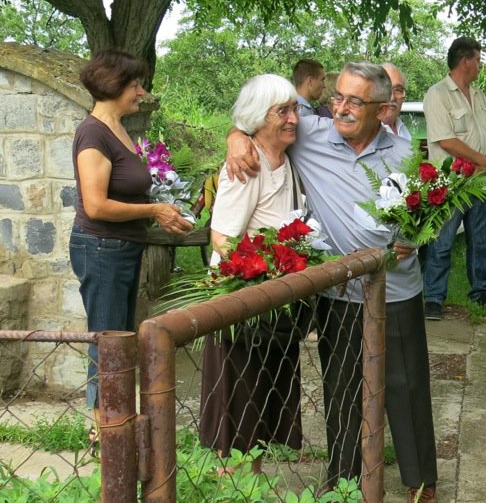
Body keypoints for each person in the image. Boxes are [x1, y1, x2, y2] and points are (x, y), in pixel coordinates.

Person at [226, 63, 439, 503]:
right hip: (338, 294)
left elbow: (430, 213)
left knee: (406, 387)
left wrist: (416, 235)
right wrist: (236, 137)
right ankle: (341, 480)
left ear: (382, 110)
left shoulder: (403, 151)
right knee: (340, 388)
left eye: (354, 102)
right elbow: (262, 120)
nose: (340, 108)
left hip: (396, 290)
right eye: (337, 97)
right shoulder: (310, 135)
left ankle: (421, 482)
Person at [71, 48, 192, 450]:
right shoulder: (93, 133)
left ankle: (115, 422)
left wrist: (165, 207)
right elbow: (96, 204)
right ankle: (103, 434)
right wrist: (155, 210)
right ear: (114, 85)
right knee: (108, 342)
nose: (141, 92)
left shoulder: (118, 128)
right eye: (136, 84)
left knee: (119, 339)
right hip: (102, 249)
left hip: (120, 249)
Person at [199, 74, 309, 472]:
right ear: (257, 119)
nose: (293, 118)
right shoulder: (244, 166)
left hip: (272, 303)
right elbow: (222, 239)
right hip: (242, 303)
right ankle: (232, 490)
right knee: (240, 406)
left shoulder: (287, 158)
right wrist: (268, 268)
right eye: (282, 111)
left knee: (261, 403)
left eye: (295, 109)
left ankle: (252, 485)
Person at [422, 37, 486, 320]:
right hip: (451, 181)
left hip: (480, 181)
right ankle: (433, 297)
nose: (481, 66)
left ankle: (481, 291)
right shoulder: (438, 95)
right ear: (465, 61)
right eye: (478, 60)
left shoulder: (479, 95)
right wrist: (481, 160)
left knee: (482, 241)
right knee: (442, 241)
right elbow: (445, 140)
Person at [379, 62, 412, 140]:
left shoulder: (402, 128)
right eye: (386, 88)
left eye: (398, 90)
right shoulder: (365, 134)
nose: (392, 97)